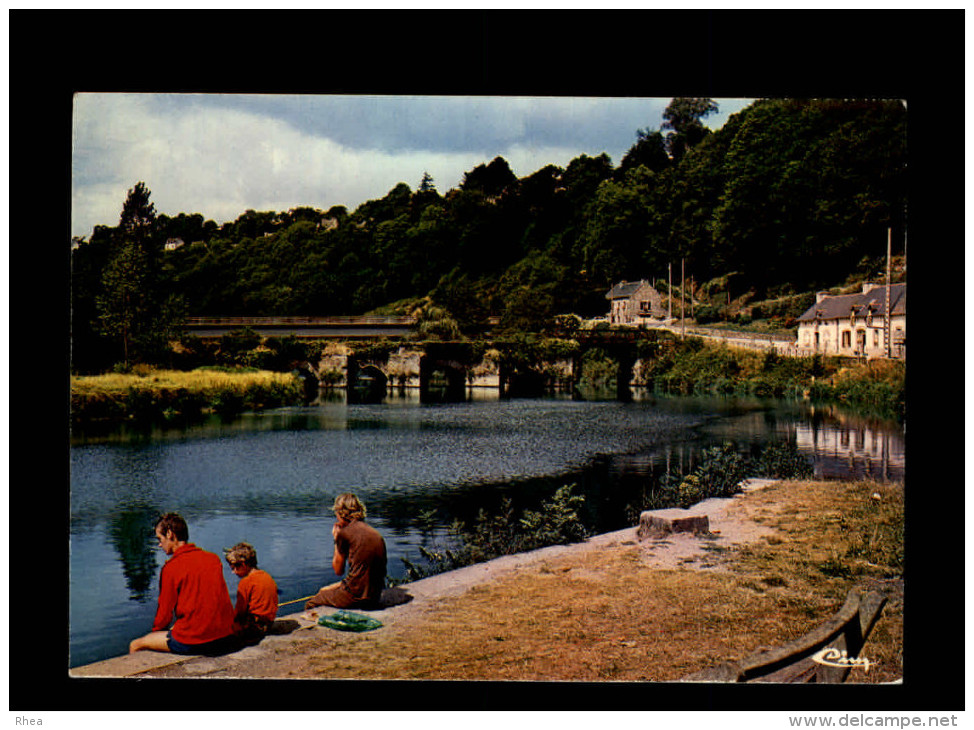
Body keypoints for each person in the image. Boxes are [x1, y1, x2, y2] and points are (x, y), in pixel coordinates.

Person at [129, 513, 235, 655]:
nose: (160, 544)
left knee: (136, 644)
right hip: (226, 636)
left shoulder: (171, 568)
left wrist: (156, 634)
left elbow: (164, 614)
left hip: (196, 642)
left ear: (170, 534)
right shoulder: (213, 559)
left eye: (160, 539)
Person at [304, 493, 387, 612]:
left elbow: (338, 570)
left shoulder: (344, 534)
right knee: (325, 589)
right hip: (375, 595)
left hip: (355, 596)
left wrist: (336, 539)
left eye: (336, 513)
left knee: (313, 601)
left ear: (340, 513)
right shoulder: (374, 532)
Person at [224, 542, 278, 644]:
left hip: (253, 628)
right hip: (268, 624)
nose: (233, 572)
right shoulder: (266, 576)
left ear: (243, 565)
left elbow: (240, 612)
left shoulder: (246, 582)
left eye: (234, 568)